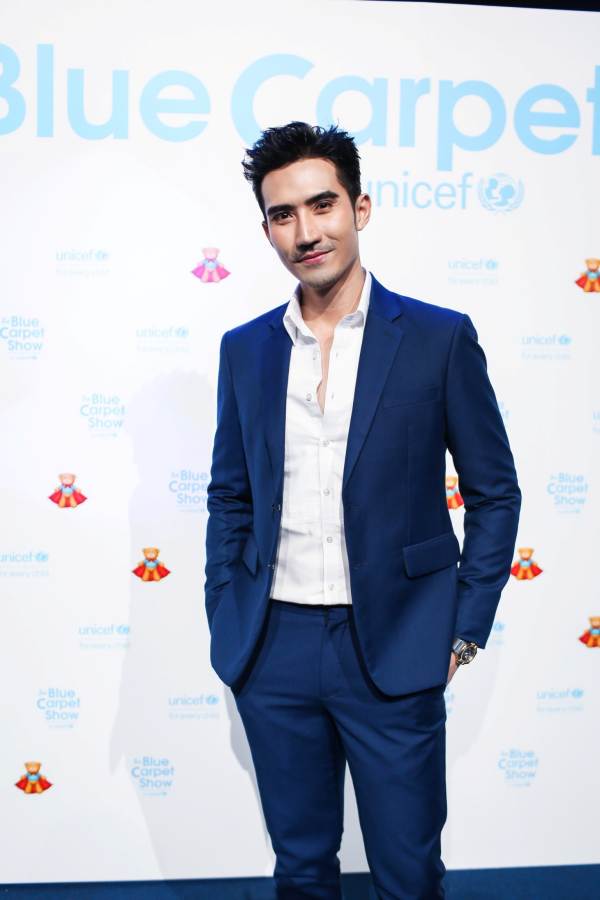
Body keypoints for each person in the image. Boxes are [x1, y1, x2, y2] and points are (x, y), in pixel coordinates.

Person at [204, 121, 521, 900]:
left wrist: (462, 629)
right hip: (272, 645)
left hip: (396, 643)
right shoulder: (246, 349)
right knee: (301, 869)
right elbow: (230, 494)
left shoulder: (438, 338)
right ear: (268, 229)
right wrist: (227, 608)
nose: (307, 232)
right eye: (284, 214)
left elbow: (495, 491)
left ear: (361, 208)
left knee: (407, 875)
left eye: (323, 205)